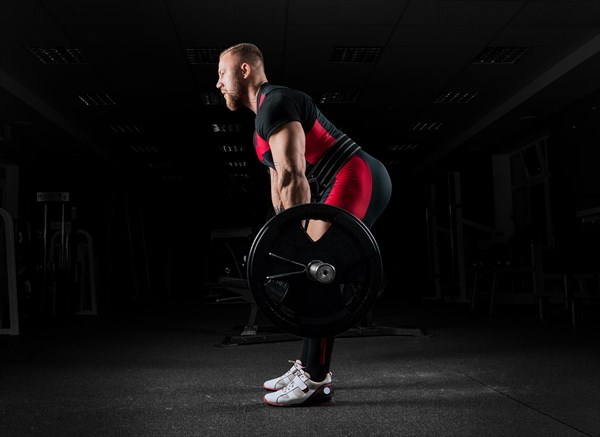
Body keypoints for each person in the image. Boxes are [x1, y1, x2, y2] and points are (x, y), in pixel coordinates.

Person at [216, 43, 392, 407]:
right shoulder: (260, 126)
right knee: (310, 272)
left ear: (245, 69)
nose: (218, 84)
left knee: (320, 270)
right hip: (335, 185)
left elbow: (295, 174)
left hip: (356, 175)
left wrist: (301, 247)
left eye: (222, 73)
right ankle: (308, 367)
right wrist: (282, 243)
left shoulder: (277, 103)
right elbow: (278, 188)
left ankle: (316, 379)